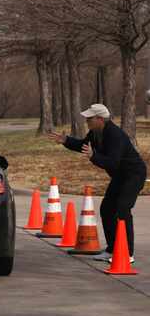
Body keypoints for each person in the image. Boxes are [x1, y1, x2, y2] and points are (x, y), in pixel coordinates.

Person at [48, 104, 145, 264]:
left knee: (122, 208)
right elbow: (83, 146)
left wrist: (94, 156)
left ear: (100, 119)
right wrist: (66, 141)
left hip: (133, 175)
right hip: (120, 176)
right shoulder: (95, 132)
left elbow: (113, 162)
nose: (87, 121)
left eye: (90, 118)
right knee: (106, 209)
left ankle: (127, 253)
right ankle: (112, 249)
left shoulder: (115, 135)